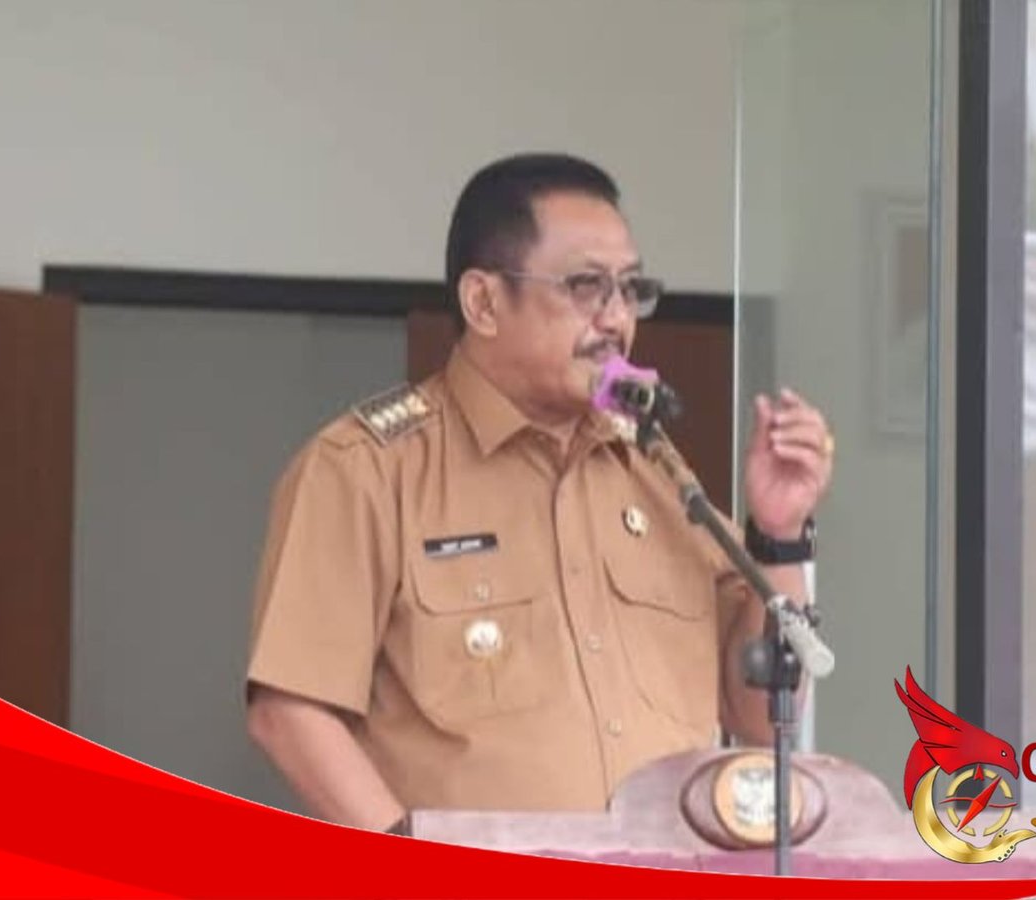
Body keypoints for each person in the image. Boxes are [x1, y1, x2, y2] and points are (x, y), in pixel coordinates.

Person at [244, 153, 834, 834]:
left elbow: (761, 717)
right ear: (483, 302)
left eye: (630, 289)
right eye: (586, 286)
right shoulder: (367, 471)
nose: (616, 318)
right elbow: (290, 711)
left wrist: (779, 535)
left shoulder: (656, 473)